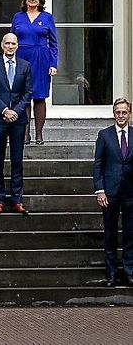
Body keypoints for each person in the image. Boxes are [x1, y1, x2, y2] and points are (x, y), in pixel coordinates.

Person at [0, 32, 33, 216]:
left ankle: (17, 200)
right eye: (8, 43)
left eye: (14, 44)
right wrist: (5, 110)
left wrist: (16, 111)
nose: (10, 46)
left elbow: (28, 93)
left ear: (17, 46)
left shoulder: (25, 66)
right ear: (2, 45)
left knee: (17, 161)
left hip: (18, 120)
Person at [93, 98, 133, 287]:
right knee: (110, 234)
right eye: (118, 112)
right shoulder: (104, 135)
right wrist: (100, 190)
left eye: (124, 112)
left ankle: (129, 271)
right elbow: (98, 164)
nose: (121, 116)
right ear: (113, 114)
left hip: (130, 193)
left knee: (130, 234)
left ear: (129, 114)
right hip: (110, 192)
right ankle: (111, 273)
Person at [10, 0, 58, 145]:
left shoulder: (47, 17)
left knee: (39, 97)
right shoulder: (18, 17)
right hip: (21, 59)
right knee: (23, 96)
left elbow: (53, 44)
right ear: (25, 0)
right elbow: (11, 40)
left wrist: (53, 64)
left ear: (40, 0)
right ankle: (25, 134)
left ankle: (38, 134)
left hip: (41, 59)